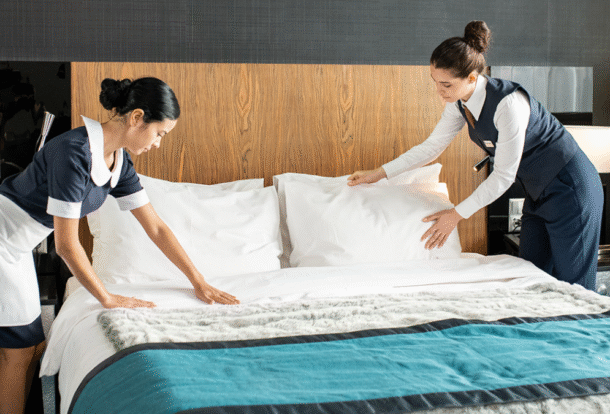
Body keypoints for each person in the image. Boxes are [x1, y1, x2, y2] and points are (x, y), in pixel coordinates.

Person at [0, 77, 239, 414]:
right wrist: (106, 297)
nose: (158, 144)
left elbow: (156, 228)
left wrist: (198, 281)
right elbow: (67, 244)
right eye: (159, 134)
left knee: (32, 348)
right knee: (19, 351)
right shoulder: (73, 153)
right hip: (3, 238)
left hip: (17, 245)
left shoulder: (118, 163)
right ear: (137, 117)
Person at [348, 21, 603, 292]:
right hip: (538, 193)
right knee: (532, 281)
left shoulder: (508, 104)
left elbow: (503, 177)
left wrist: (455, 215)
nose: (439, 91)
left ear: (472, 78)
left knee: (576, 289)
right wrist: (379, 173)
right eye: (435, 82)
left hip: (570, 188)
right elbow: (432, 146)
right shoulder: (460, 102)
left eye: (446, 84)